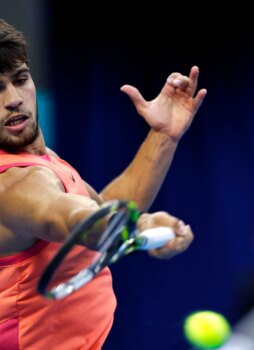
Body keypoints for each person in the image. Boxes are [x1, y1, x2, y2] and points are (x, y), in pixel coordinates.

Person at [0, 18, 207, 349]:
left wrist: (164, 136)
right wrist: (136, 227)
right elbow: (71, 219)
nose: (13, 98)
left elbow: (99, 207)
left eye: (20, 79)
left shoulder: (39, 159)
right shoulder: (15, 184)